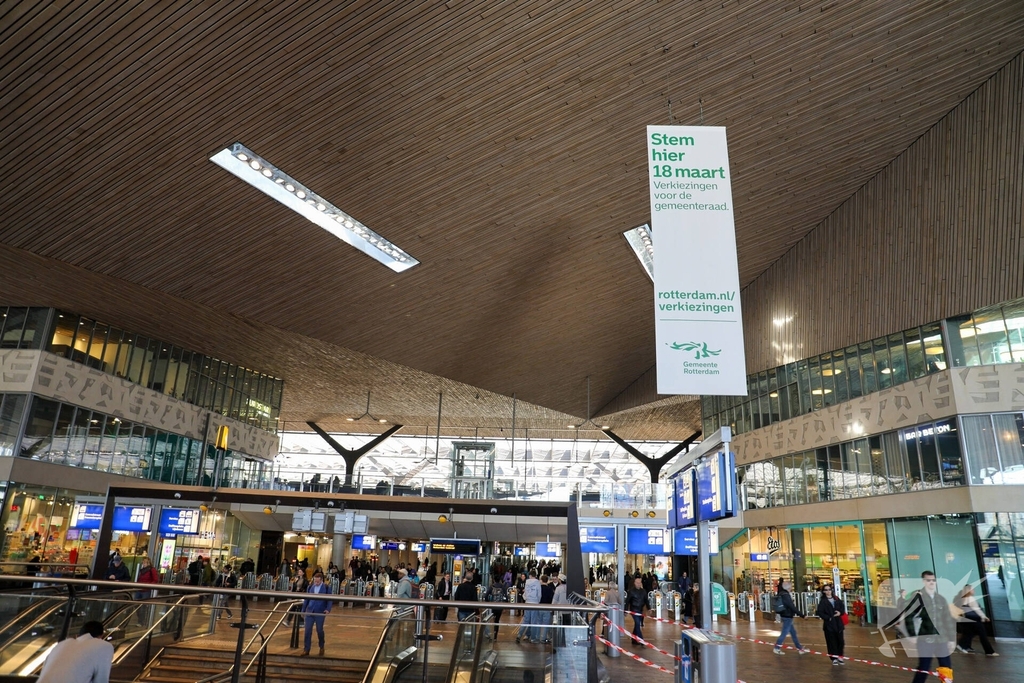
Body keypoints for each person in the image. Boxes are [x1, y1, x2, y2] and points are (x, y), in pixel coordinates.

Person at [905, 571, 956, 683]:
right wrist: (912, 634)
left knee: (946, 668)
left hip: (941, 639)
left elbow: (948, 619)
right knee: (924, 667)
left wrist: (951, 639)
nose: (931, 582)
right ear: (924, 581)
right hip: (925, 639)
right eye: (928, 580)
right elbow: (908, 616)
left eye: (933, 580)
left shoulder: (940, 599)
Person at [37, 620, 114, 683]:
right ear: (101, 636)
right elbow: (101, 680)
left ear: (78, 635)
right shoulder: (104, 646)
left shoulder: (62, 644)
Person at [953, 584, 997, 656]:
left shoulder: (961, 598)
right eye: (972, 589)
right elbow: (977, 609)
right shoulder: (970, 598)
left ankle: (964, 646)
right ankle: (989, 651)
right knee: (982, 634)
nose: (974, 590)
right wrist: (984, 617)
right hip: (974, 618)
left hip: (966, 618)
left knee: (970, 633)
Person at [772, 580, 809, 655]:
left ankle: (800, 648)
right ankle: (777, 647)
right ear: (789, 587)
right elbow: (792, 607)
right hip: (787, 616)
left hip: (784, 615)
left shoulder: (781, 594)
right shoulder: (786, 595)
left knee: (793, 633)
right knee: (784, 632)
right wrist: (802, 615)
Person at [300, 571, 332, 657]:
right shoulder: (310, 587)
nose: (316, 583)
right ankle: (306, 649)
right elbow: (307, 599)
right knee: (307, 631)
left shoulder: (326, 587)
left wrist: (328, 609)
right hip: (310, 611)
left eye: (318, 581)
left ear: (321, 580)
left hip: (320, 612)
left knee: (319, 630)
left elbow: (329, 599)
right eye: (315, 581)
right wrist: (303, 610)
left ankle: (321, 646)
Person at [815, 584, 847, 665]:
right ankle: (834, 658)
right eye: (826, 590)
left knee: (840, 641)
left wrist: (840, 613)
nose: (828, 591)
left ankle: (840, 656)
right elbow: (820, 612)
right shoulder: (823, 601)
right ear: (823, 592)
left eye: (829, 589)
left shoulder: (836, 599)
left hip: (838, 623)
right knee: (831, 642)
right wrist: (828, 618)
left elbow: (842, 608)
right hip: (829, 625)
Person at [516, 570, 542, 644]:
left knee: (525, 620)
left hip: (527, 603)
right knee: (533, 621)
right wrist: (538, 601)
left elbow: (525, 592)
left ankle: (519, 635)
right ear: (535, 575)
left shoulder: (527, 582)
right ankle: (533, 638)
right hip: (535, 603)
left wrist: (526, 598)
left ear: (530, 575)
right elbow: (539, 594)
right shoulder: (537, 582)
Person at [625, 576, 648, 644]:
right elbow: (627, 601)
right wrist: (625, 610)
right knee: (638, 623)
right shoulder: (631, 591)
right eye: (637, 583)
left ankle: (633, 639)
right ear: (634, 583)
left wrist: (649, 608)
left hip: (640, 610)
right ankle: (641, 639)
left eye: (640, 583)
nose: (638, 584)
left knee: (637, 624)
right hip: (634, 610)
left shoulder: (643, 591)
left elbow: (646, 600)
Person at [551, 574, 570, 649]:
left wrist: (552, 608)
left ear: (560, 580)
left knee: (559, 628)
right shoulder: (570, 588)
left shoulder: (558, 588)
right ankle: (567, 641)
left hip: (560, 612)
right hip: (570, 611)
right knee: (568, 627)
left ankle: (560, 642)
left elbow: (555, 600)